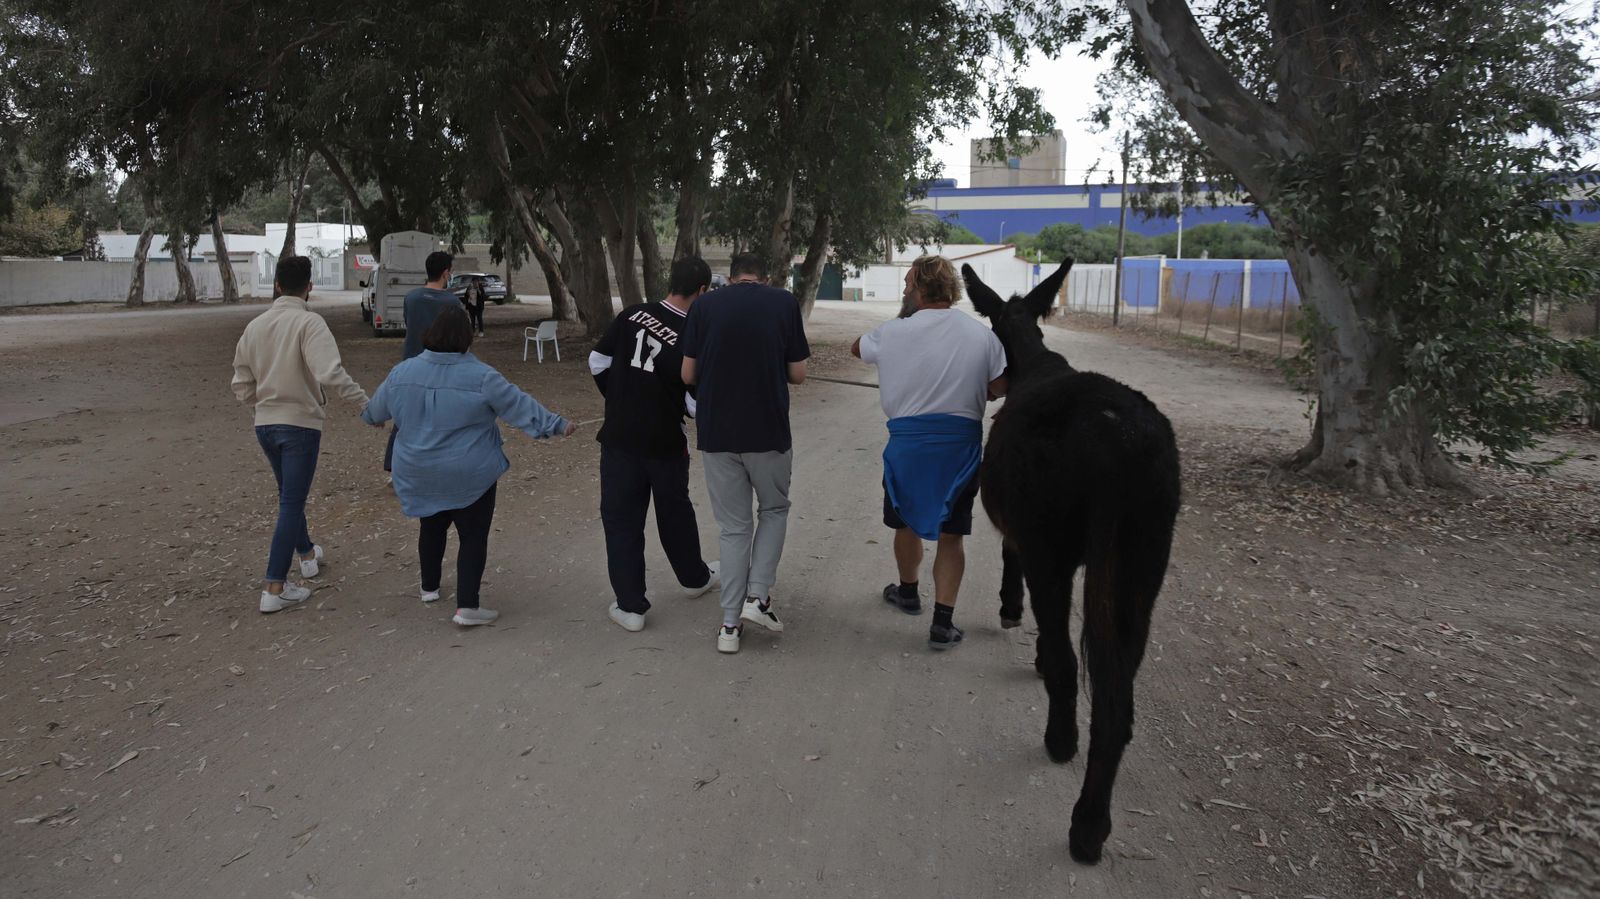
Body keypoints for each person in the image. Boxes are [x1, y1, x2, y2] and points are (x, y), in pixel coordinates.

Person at [362, 306, 576, 626]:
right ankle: (467, 607)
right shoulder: (482, 376)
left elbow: (374, 412)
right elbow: (519, 405)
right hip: (469, 473)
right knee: (473, 535)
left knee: (431, 526)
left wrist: (372, 418)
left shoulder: (402, 373)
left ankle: (429, 587)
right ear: (466, 338)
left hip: (419, 471)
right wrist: (557, 425)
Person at [851, 255, 1007, 650]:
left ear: (921, 287)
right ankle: (942, 622)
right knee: (952, 535)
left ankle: (907, 592)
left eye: (907, 284)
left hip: (909, 447)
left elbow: (857, 348)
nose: (904, 290)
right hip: (961, 448)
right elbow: (1001, 386)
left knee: (905, 520)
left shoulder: (892, 332)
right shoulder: (981, 336)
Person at [680, 253, 810, 654]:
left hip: (718, 433)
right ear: (765, 277)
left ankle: (729, 626)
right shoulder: (784, 302)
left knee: (733, 528)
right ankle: (758, 597)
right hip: (768, 431)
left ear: (731, 277)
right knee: (772, 510)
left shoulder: (703, 305)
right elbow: (799, 374)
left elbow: (688, 374)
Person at [589, 256, 721, 633]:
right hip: (665, 443)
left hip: (619, 439)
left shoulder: (632, 314)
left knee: (621, 520)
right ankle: (694, 579)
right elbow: (695, 405)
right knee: (674, 512)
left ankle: (630, 606)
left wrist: (619, 399)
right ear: (702, 291)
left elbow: (597, 361)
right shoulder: (695, 335)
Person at [231, 255, 369, 614]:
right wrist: (364, 403)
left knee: (288, 495)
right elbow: (330, 373)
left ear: (276, 284)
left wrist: (261, 403)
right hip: (300, 425)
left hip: (266, 424)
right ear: (310, 287)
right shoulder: (310, 323)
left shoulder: (255, 327)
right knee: (291, 501)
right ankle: (274, 586)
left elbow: (241, 383)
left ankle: (307, 553)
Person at [385, 250, 461, 473]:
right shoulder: (452, 302)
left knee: (405, 417)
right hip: (441, 366)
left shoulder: (412, 298)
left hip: (411, 362)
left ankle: (395, 464)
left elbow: (410, 324)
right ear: (446, 273)